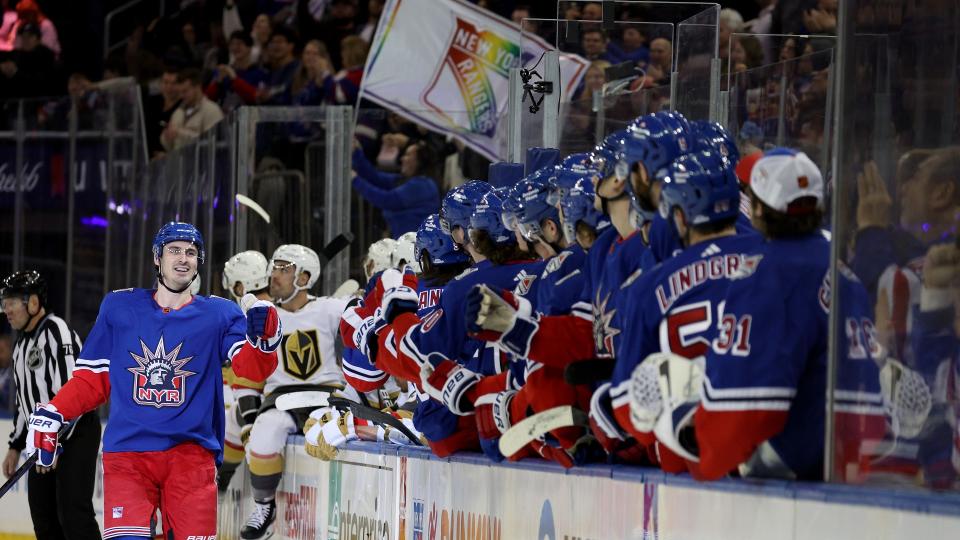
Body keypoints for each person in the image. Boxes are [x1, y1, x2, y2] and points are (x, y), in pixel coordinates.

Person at [638, 149, 885, 481]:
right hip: (855, 466)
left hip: (794, 473)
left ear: (755, 209)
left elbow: (744, 411)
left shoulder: (763, 275)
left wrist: (699, 441)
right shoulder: (844, 270)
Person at [26, 222, 281, 540]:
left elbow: (253, 369)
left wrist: (265, 339)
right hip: (129, 455)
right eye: (174, 250)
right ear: (157, 258)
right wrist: (55, 412)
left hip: (191, 456)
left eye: (191, 252)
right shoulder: (119, 307)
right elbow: (93, 378)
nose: (183, 258)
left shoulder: (220, 314)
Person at [238, 244, 348, 539]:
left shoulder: (330, 308)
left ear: (304, 278)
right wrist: (249, 421)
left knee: (341, 433)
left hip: (326, 395)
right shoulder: (265, 314)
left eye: (283, 269)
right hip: (281, 398)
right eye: (273, 268)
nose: (273, 275)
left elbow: (368, 315)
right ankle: (264, 507)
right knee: (265, 431)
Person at [2, 270, 101, 540]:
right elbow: (26, 404)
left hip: (77, 432)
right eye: (4, 303)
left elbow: (74, 391)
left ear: (33, 302)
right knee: (43, 517)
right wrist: (15, 446)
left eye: (11, 302)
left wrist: (53, 439)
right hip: (42, 441)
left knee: (73, 513)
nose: (6, 310)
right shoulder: (21, 346)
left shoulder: (57, 331)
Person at [217, 250, 273, 493]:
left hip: (268, 399)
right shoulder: (279, 308)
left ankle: (220, 481)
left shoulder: (249, 316)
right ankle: (221, 481)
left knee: (229, 416)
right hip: (271, 397)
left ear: (241, 285)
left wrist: (249, 423)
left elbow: (247, 374)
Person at [352, 140, 441, 237]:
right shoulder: (407, 180)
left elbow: (387, 200)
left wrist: (355, 180)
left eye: (408, 155)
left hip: (417, 246)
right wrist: (357, 153)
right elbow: (375, 177)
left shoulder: (423, 185)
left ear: (420, 161)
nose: (402, 158)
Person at [161, 68, 225, 152]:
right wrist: (166, 137)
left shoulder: (212, 110)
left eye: (185, 91)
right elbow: (171, 148)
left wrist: (180, 133)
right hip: (181, 163)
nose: (181, 96)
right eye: (180, 92)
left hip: (202, 163)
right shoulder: (178, 113)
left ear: (197, 87)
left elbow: (214, 143)